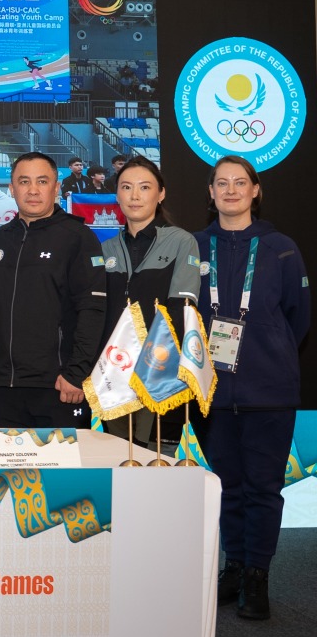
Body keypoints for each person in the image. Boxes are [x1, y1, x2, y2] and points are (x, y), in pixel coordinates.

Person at [195, 155, 310, 621]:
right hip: (213, 393)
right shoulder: (194, 247)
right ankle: (234, 566)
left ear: (255, 190)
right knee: (228, 487)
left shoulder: (282, 247)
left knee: (264, 488)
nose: (230, 190)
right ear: (210, 192)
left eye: (239, 182)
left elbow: (298, 318)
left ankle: (258, 575)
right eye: (221, 183)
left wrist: (270, 352)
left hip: (269, 391)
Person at [0, 152, 105, 427]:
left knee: (64, 471)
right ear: (11, 189)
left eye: (42, 181)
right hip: (6, 385)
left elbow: (92, 311)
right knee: (11, 471)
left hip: (60, 386)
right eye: (24, 182)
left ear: (56, 188)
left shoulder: (79, 238)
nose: (33, 190)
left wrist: (76, 373)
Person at [98, 156, 201, 446]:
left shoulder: (182, 242)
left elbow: (181, 313)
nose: (134, 195)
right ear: (116, 194)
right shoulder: (105, 249)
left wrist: (150, 371)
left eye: (144, 187)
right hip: (113, 379)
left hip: (161, 379)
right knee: (120, 471)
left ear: (161, 193)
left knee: (156, 475)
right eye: (126, 187)